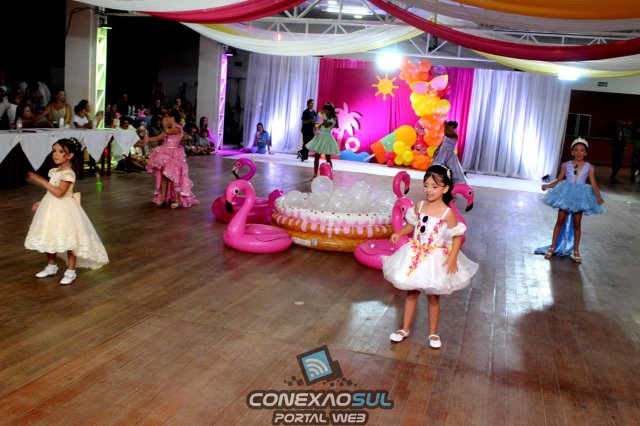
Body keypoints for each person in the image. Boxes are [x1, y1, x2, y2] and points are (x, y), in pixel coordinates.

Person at [382, 164, 478, 349]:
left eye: (434, 186)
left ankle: (433, 332)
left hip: (435, 258)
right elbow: (413, 225)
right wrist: (400, 233)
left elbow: (457, 236)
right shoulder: (419, 205)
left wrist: (452, 257)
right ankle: (404, 328)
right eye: (426, 185)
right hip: (415, 254)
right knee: (411, 292)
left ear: (446, 188)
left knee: (433, 296)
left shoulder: (447, 213)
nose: (429, 190)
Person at [24, 138, 109, 285]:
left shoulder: (68, 173)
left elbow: (59, 193)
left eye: (61, 151)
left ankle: (70, 271)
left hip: (65, 209)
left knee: (70, 240)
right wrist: (42, 203)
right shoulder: (55, 171)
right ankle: (52, 266)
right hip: (51, 207)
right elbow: (51, 192)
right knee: (50, 235)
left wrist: (41, 180)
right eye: (54, 151)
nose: (55, 154)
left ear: (69, 156)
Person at [540, 137, 605, 263]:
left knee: (577, 224)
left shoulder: (589, 167)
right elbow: (559, 179)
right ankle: (552, 247)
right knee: (560, 221)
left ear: (585, 153)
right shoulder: (566, 165)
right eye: (576, 150)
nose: (578, 152)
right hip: (566, 194)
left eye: (582, 150)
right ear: (572, 152)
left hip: (580, 196)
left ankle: (576, 250)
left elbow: (594, 184)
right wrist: (548, 185)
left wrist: (598, 197)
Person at [142, 109, 199, 208]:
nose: (166, 119)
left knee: (173, 177)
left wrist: (164, 124)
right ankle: (163, 199)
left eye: (167, 117)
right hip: (164, 153)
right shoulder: (168, 128)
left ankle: (177, 200)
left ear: (172, 117)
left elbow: (168, 132)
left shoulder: (178, 128)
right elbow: (159, 137)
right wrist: (148, 139)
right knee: (164, 176)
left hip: (174, 154)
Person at [305, 103, 339, 177]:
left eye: (327, 110)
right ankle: (315, 174)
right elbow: (321, 126)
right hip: (320, 136)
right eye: (325, 110)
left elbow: (326, 125)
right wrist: (317, 127)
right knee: (317, 156)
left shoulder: (333, 118)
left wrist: (324, 118)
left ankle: (330, 174)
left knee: (328, 158)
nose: (326, 111)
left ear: (330, 110)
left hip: (327, 137)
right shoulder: (325, 116)